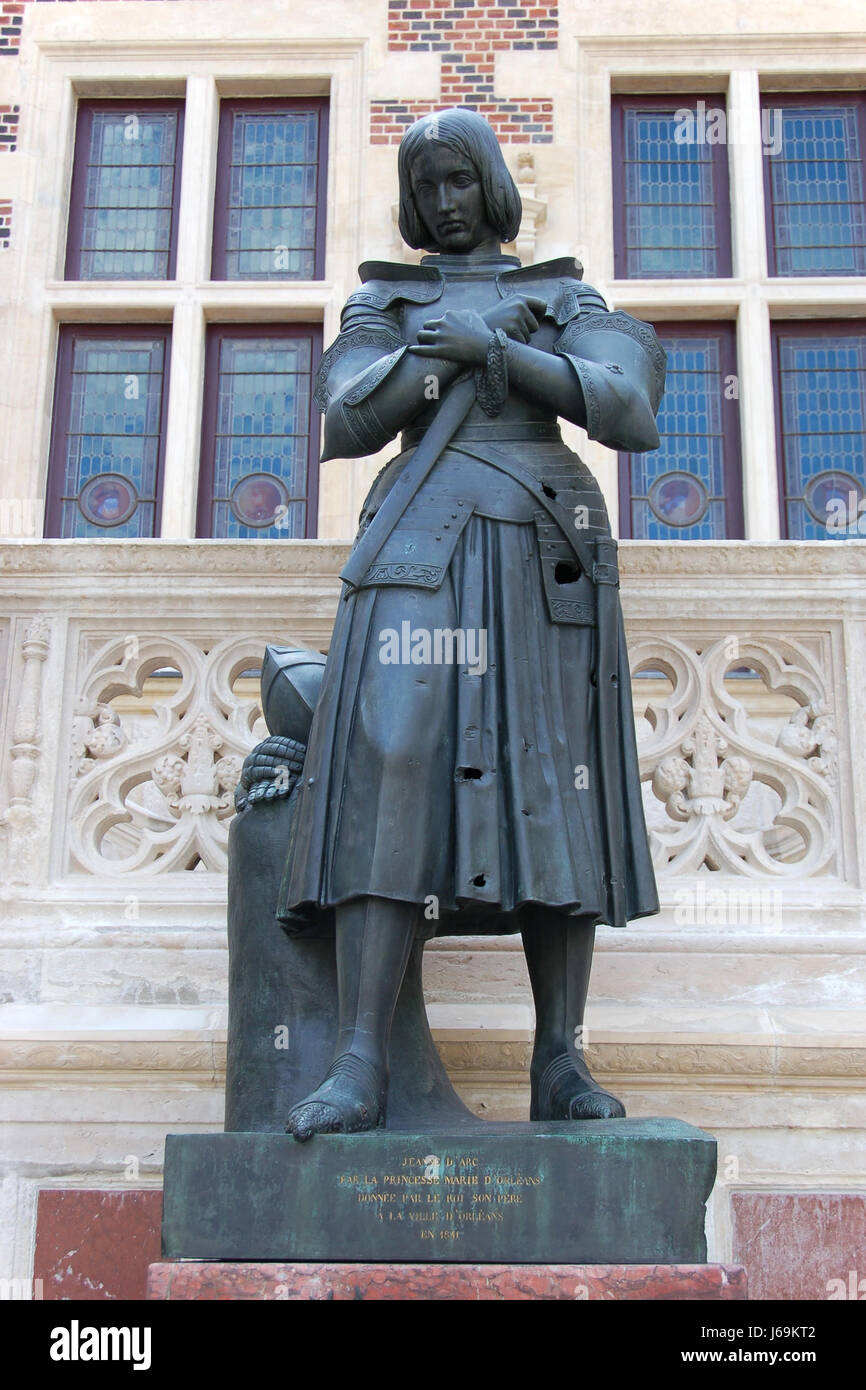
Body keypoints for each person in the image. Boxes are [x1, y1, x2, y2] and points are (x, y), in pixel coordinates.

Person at [278, 107, 665, 1140]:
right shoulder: (380, 299)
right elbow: (346, 419)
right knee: (389, 755)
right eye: (428, 187)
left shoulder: (560, 292)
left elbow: (626, 407)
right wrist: (429, 358)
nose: (445, 204)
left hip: (543, 544)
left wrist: (499, 349)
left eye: (459, 181)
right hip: (419, 538)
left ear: (489, 184)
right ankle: (361, 1058)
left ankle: (558, 1057)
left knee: (552, 777)